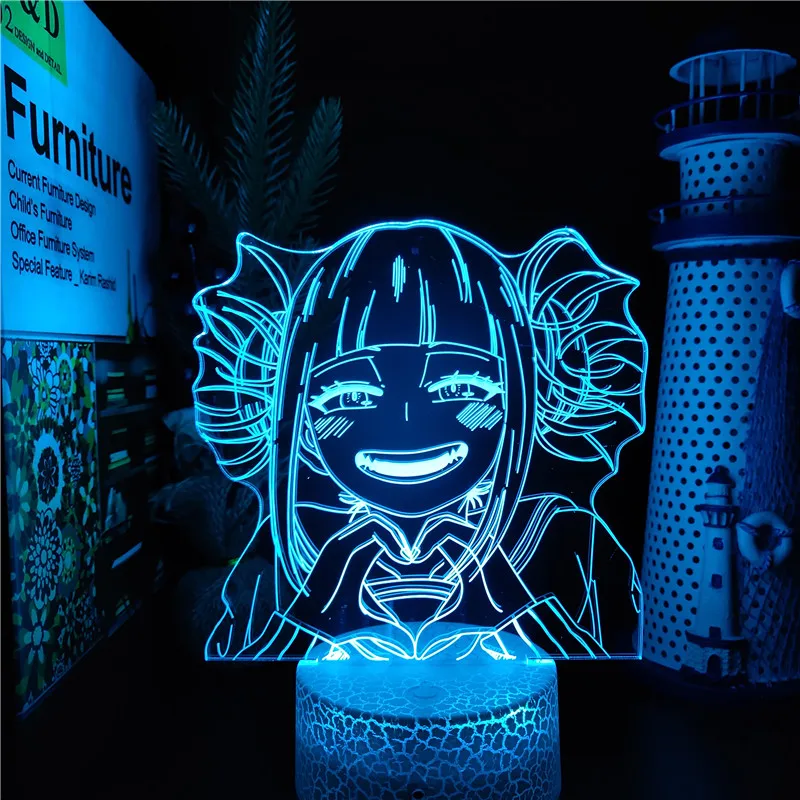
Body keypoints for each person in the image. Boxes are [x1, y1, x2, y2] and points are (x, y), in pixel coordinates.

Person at [192, 221, 646, 661]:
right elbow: (252, 697)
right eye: (352, 395)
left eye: (459, 387)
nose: (406, 420)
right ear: (301, 417)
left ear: (522, 396)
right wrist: (310, 613)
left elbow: (603, 693)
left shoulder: (566, 539)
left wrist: (512, 605)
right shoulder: (282, 554)